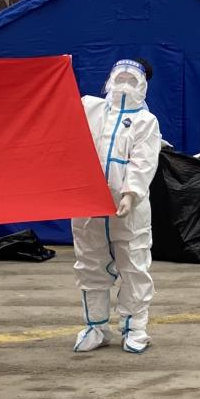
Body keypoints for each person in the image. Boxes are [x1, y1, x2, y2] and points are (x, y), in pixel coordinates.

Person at [73, 59, 163, 354]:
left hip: (129, 209)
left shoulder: (146, 122)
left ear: (143, 85)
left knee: (134, 266)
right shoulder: (90, 108)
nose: (124, 84)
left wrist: (131, 193)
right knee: (90, 264)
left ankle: (135, 328)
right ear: (109, 80)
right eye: (119, 77)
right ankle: (96, 326)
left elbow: (143, 161)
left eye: (131, 79)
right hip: (88, 205)